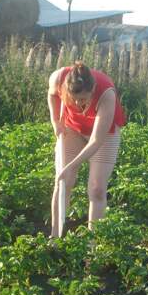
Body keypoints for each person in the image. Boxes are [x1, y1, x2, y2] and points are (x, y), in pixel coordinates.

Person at [48, 61, 126, 237]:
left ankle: (93, 247)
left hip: (103, 135)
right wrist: (55, 121)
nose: (77, 103)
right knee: (63, 182)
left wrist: (71, 166)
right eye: (73, 98)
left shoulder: (107, 93)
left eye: (82, 99)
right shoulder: (58, 77)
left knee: (97, 189)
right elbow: (52, 95)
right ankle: (54, 236)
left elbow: (96, 140)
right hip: (73, 128)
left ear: (92, 90)